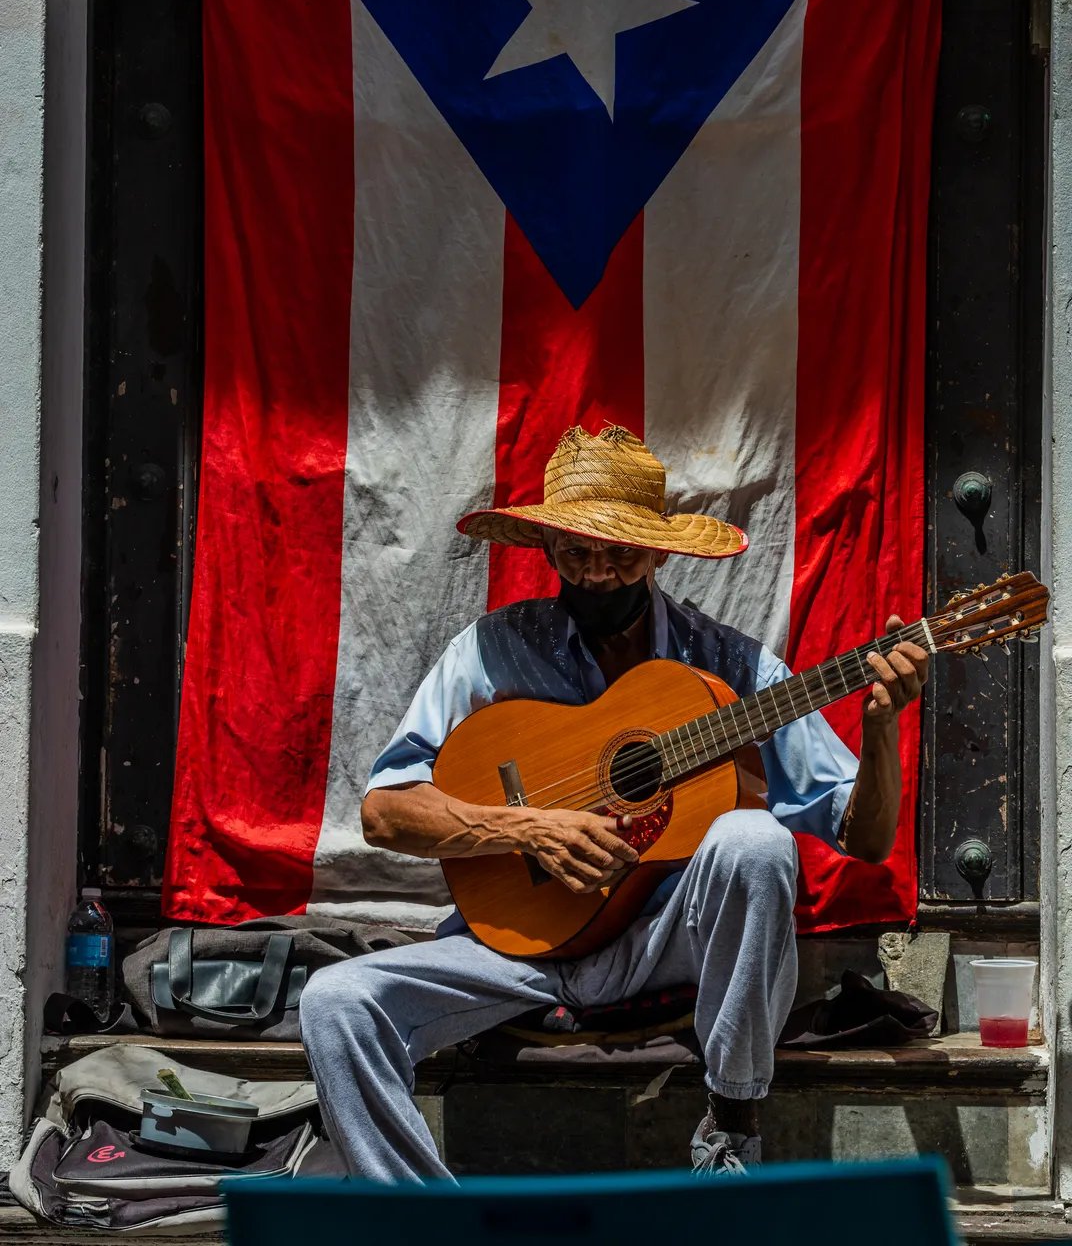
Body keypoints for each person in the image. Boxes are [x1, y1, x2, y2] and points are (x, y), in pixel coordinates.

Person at [300, 425, 929, 1180]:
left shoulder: (729, 665)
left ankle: (731, 1132)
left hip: (661, 945)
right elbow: (385, 813)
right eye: (577, 553)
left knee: (755, 841)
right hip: (516, 949)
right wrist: (527, 826)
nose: (597, 573)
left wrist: (883, 728)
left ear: (659, 552)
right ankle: (425, 1223)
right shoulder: (492, 648)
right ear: (548, 551)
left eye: (620, 554)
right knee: (334, 1001)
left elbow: (861, 838)